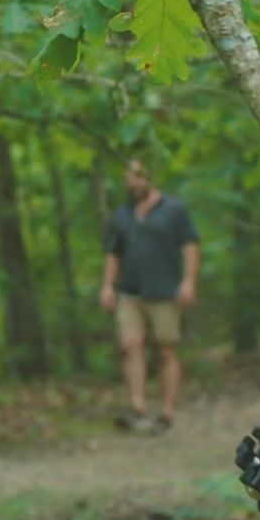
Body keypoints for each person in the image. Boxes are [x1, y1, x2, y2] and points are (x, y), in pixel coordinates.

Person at [98, 157, 200, 434]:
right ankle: (138, 408)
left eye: (137, 176)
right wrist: (107, 285)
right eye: (129, 178)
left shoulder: (174, 210)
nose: (133, 183)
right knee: (130, 345)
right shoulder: (121, 215)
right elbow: (112, 253)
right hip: (130, 292)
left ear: (150, 177)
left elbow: (190, 246)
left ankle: (166, 412)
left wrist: (189, 281)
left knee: (165, 350)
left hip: (164, 290)